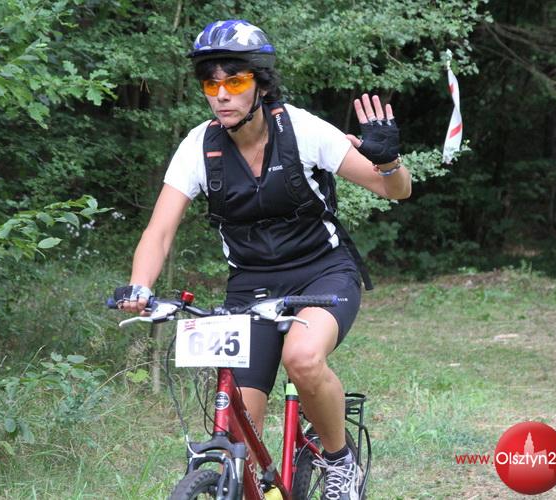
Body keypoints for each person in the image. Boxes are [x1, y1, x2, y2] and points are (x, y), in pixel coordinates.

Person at [115, 19, 411, 500]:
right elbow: (159, 230)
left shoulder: (301, 129)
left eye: (234, 82)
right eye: (211, 84)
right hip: (250, 285)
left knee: (302, 358)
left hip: (323, 275)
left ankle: (339, 462)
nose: (221, 95)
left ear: (261, 85)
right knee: (237, 428)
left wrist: (389, 161)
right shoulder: (198, 147)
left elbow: (395, 190)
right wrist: (140, 286)